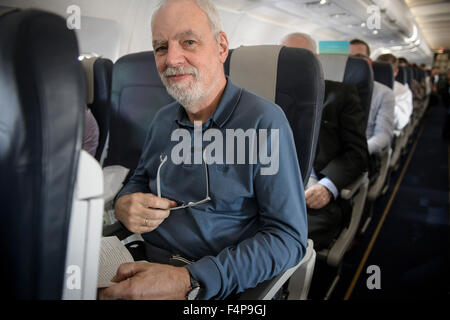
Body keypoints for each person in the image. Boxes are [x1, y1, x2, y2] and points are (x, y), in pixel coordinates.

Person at [99, 0, 307, 300]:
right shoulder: (162, 119)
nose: (171, 59)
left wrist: (187, 279)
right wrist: (123, 204)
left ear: (221, 46)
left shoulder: (264, 122)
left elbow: (288, 239)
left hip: (210, 281)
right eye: (160, 47)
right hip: (139, 257)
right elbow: (139, 179)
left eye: (189, 42)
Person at [281, 33, 368, 251]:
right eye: (285, 58)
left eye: (300, 58)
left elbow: (356, 153)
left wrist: (327, 187)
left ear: (315, 61)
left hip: (314, 195)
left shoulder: (341, 95)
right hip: (271, 191)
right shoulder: (264, 97)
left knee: (286, 239)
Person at [350, 39, 395, 156]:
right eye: (349, 58)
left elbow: (384, 135)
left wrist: (362, 150)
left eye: (359, 58)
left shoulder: (385, 93)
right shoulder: (331, 88)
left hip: (363, 152)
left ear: (369, 62)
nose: (354, 63)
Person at [377, 53, 413, 133]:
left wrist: (386, 100)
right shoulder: (367, 85)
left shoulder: (403, 92)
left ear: (396, 72)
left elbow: (401, 122)